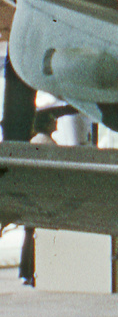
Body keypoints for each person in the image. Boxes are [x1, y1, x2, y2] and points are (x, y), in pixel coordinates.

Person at [18, 113, 58, 286]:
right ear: (47, 125)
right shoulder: (49, 145)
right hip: (43, 195)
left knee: (29, 232)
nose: (55, 122)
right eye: (52, 120)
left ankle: (26, 272)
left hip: (30, 194)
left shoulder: (33, 142)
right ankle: (35, 272)